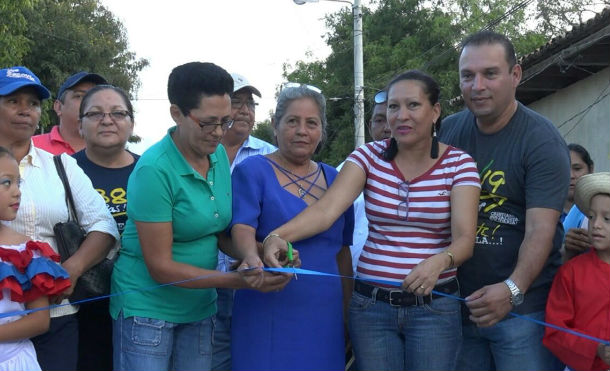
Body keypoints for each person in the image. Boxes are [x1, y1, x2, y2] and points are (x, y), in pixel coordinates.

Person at [263, 71, 481, 370]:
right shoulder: (367, 156)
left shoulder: (459, 164)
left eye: (413, 105)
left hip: (434, 307)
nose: (401, 116)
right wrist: (277, 236)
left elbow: (466, 240)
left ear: (435, 111)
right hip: (370, 307)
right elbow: (327, 210)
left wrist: (441, 261)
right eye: (393, 107)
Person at [109, 62, 272, 371]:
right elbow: (160, 267)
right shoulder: (154, 170)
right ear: (177, 114)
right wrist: (239, 281)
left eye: (225, 121)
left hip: (199, 308)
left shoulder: (218, 155)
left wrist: (259, 254)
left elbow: (219, 233)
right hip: (147, 312)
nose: (218, 132)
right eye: (208, 123)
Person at [439, 31, 570, 370]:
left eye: (490, 73)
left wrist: (513, 290)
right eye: (467, 75)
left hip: (524, 311)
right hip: (460, 306)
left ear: (515, 75)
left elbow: (541, 228)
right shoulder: (450, 132)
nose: (477, 85)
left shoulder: (542, 140)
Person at [0, 66, 119, 371]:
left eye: (33, 103)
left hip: (56, 314)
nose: (25, 110)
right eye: (13, 101)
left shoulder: (60, 165)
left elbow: (104, 225)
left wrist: (71, 269)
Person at [229, 83, 355, 371]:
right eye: (292, 121)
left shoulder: (337, 179)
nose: (302, 130)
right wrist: (253, 255)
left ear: (322, 130)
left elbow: (342, 252)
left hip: (325, 312)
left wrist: (348, 313)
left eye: (312, 123)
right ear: (275, 125)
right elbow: (240, 229)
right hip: (267, 304)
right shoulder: (253, 171)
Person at [72, 85, 140, 371]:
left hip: (142, 299)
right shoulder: (63, 172)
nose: (107, 120)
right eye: (95, 114)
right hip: (82, 301)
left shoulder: (150, 171)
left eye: (118, 113)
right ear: (80, 125)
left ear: (131, 122)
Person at [212, 73, 276, 371]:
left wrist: (252, 254)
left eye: (251, 103)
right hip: (201, 279)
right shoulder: (199, 152)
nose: (245, 111)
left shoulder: (269, 156)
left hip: (254, 278)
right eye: (237, 102)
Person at [0, 147, 71, 371]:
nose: (17, 191)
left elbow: (39, 321)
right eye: (6, 182)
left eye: (18, 183)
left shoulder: (24, 251)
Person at [543, 172, 610, 371]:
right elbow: (555, 330)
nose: (596, 224)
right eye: (591, 216)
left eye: (607, 218)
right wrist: (594, 348)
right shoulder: (571, 272)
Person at [33, 71, 108, 155]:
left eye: (96, 97)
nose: (90, 102)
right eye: (79, 96)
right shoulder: (31, 147)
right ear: (58, 107)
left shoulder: (113, 152)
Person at [562, 143, 595, 261]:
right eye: (564, 169)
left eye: (577, 169)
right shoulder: (545, 215)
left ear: (591, 169)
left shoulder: (601, 210)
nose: (571, 176)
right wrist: (567, 251)